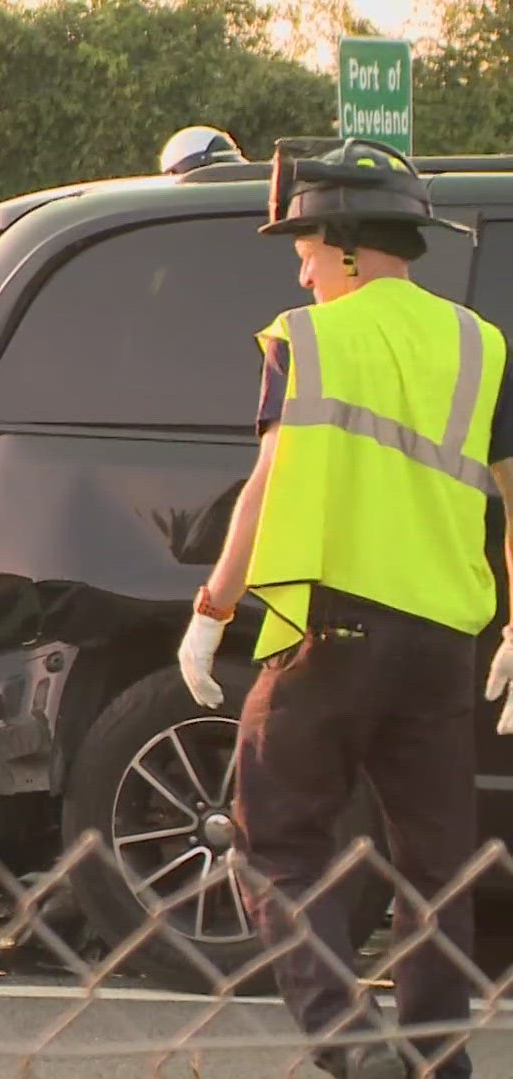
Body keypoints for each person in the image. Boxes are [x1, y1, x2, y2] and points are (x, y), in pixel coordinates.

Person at [176, 137, 512, 1079]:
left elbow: (268, 479)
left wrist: (214, 605)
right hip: (445, 643)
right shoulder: (481, 345)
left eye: (307, 246)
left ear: (352, 248)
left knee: (270, 841)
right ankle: (438, 1061)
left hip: (331, 632)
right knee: (438, 868)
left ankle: (352, 1045)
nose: (301, 264)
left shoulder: (309, 337)